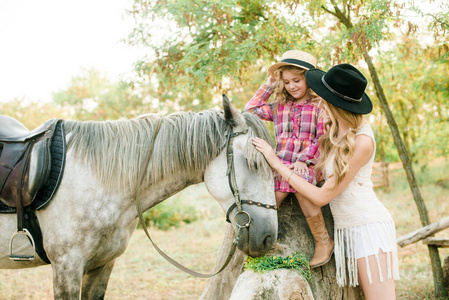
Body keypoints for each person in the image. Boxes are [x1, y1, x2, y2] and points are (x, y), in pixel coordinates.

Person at [252, 64, 399, 299]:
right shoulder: (334, 130)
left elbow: (323, 196)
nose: (317, 98)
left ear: (333, 102)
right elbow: (319, 173)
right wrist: (293, 166)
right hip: (345, 228)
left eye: (322, 95)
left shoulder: (362, 140)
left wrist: (276, 162)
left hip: (366, 227)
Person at [245, 50, 333, 268]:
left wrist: (303, 159)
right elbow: (250, 110)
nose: (292, 86)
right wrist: (269, 84)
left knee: (299, 184)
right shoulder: (279, 106)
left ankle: (323, 241)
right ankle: (264, 238)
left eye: (297, 80)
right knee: (276, 192)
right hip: (281, 164)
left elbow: (323, 139)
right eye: (286, 82)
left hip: (309, 164)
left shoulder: (320, 106)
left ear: (308, 80)